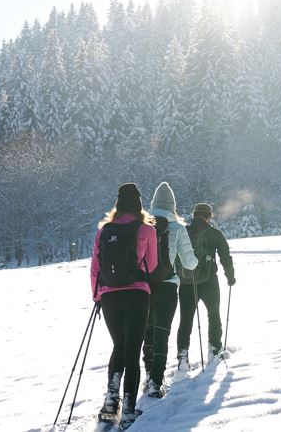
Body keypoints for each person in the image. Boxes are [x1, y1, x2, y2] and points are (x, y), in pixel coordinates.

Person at [90, 183, 158, 428]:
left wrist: (97, 296)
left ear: (117, 204)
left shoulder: (104, 231)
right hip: (137, 294)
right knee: (132, 350)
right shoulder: (146, 230)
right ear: (139, 203)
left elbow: (95, 268)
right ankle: (128, 407)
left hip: (109, 296)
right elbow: (152, 265)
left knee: (118, 345)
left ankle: (110, 401)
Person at [141, 182, 198, 398]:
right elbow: (190, 263)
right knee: (162, 334)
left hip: (144, 288)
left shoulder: (142, 226)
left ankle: (148, 375)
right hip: (167, 287)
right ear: (172, 206)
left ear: (153, 204)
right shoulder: (177, 228)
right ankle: (156, 382)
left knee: (147, 333)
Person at [176, 202, 236, 370]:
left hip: (186, 283)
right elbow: (225, 256)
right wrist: (230, 276)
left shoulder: (183, 232)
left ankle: (182, 357)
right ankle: (214, 350)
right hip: (209, 282)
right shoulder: (214, 233)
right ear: (209, 216)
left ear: (194, 215)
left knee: (186, 320)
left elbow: (174, 256)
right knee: (214, 314)